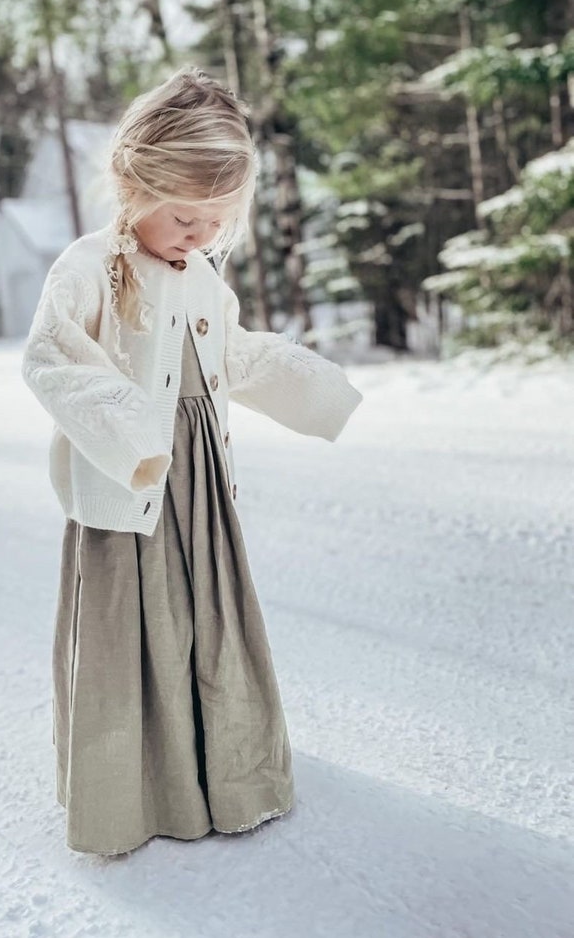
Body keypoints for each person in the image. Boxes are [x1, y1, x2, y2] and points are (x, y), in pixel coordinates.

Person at [20, 65, 364, 856]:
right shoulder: (89, 265)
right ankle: (134, 790)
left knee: (208, 614)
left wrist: (310, 386)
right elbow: (50, 355)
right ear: (134, 181)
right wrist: (131, 433)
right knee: (132, 625)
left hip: (200, 485)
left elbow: (230, 355)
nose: (200, 236)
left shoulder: (202, 274)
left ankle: (230, 771)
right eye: (185, 216)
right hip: (130, 481)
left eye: (216, 221)